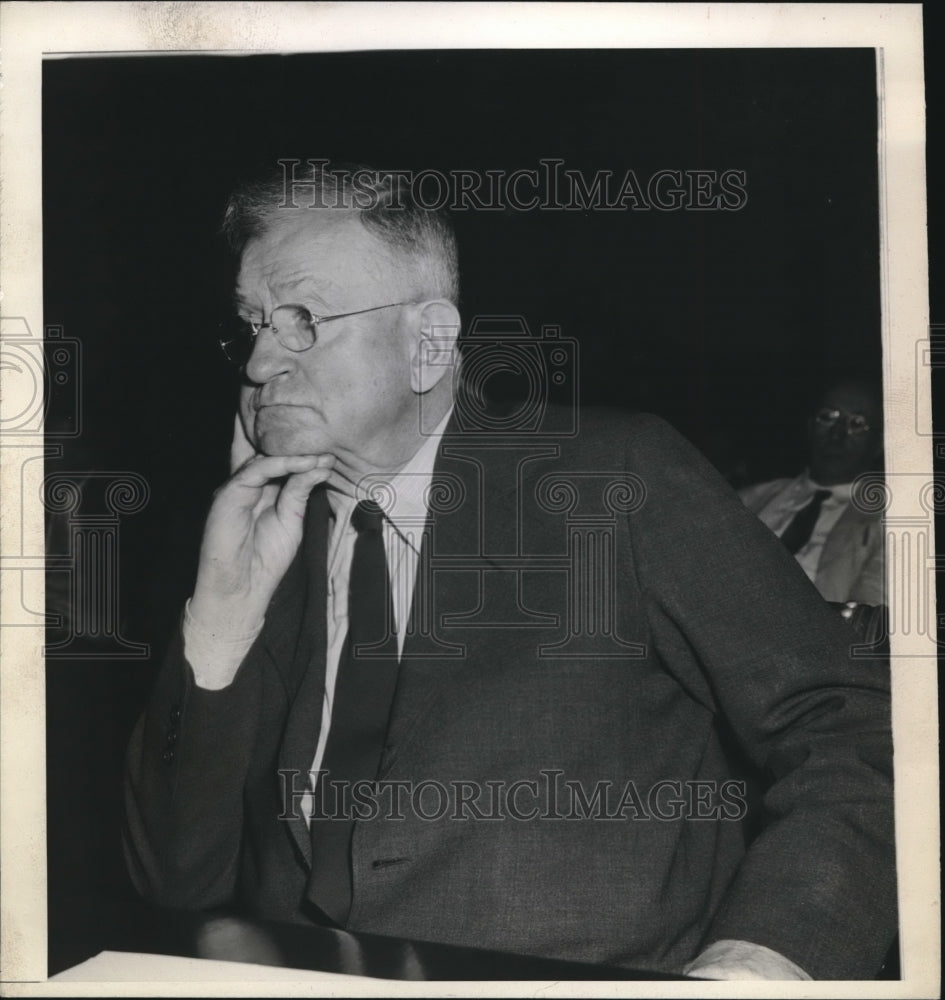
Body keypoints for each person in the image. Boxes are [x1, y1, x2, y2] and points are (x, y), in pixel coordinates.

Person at [123, 164, 896, 980]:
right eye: (249, 325)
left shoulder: (610, 480)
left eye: (302, 319)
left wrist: (761, 960)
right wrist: (219, 621)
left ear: (429, 341)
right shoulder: (263, 545)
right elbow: (176, 882)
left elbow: (855, 734)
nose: (256, 363)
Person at [738, 376, 885, 606]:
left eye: (856, 424)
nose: (837, 434)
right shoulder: (745, 500)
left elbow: (871, 616)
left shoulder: (890, 518)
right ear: (809, 427)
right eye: (828, 417)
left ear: (878, 444)